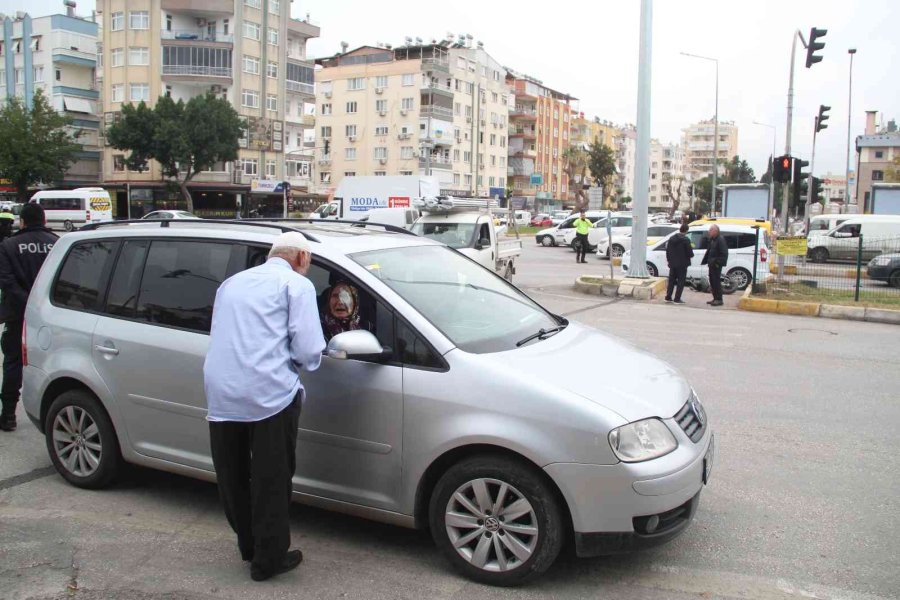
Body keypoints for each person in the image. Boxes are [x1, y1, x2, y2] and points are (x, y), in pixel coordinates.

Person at [203, 231, 326, 581]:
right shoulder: (296, 286)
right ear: (301, 257)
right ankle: (268, 560)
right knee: (271, 478)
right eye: (310, 262)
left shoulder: (231, 283)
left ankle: (249, 546)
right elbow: (307, 351)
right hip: (269, 394)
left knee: (233, 475)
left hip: (222, 391)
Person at [0, 203, 58, 431]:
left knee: (13, 362)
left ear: (21, 221)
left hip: (18, 314)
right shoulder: (56, 243)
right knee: (54, 365)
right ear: (44, 221)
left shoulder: (9, 245)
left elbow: (6, 281)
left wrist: (28, 304)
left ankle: (8, 416)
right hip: (53, 315)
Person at [665, 224, 693, 304]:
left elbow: (668, 251)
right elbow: (690, 253)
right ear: (686, 231)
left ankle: (668, 297)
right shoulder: (686, 240)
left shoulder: (672, 238)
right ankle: (677, 299)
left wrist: (669, 260)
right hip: (682, 264)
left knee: (671, 281)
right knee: (681, 281)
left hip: (673, 264)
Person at [701, 224, 728, 307]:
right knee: (712, 282)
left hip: (716, 265)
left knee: (716, 282)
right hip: (711, 264)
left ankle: (719, 299)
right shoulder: (713, 239)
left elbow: (724, 253)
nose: (709, 232)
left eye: (710, 230)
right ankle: (715, 298)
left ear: (715, 231)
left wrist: (717, 263)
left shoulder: (720, 240)